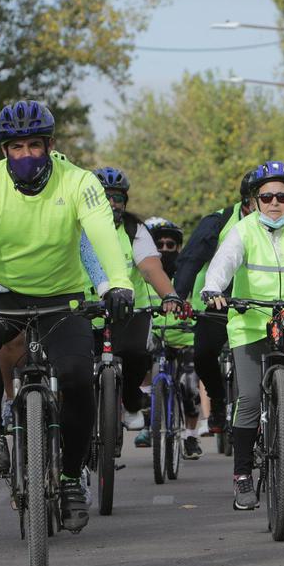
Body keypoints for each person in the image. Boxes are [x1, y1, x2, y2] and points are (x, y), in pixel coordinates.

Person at [0, 100, 134, 533]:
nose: (26, 155)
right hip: (3, 292)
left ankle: (69, 478)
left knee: (79, 377)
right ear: (4, 150)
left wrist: (118, 284)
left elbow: (100, 233)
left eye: (34, 145)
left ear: (50, 145)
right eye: (16, 147)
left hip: (64, 295)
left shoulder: (80, 183)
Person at [201, 161, 284, 511]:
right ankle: (243, 475)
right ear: (255, 200)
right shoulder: (243, 231)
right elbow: (224, 262)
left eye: (282, 196)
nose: (274, 203)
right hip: (249, 320)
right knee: (247, 399)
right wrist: (213, 288)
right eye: (266, 197)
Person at [93, 168, 183, 432]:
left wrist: (170, 295)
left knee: (136, 357)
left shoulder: (135, 229)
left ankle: (131, 400)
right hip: (86, 310)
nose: (112, 204)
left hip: (130, 310)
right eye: (105, 197)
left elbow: (151, 267)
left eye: (118, 198)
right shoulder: (77, 227)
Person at [174, 172, 255, 434]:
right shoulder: (218, 221)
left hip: (262, 301)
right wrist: (178, 295)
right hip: (220, 300)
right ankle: (218, 400)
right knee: (203, 353)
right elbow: (191, 259)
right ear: (247, 203)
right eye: (262, 199)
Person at [134, 217, 203, 459]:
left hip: (186, 338)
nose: (164, 249)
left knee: (189, 386)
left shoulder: (191, 275)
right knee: (138, 362)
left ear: (178, 248)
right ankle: (147, 422)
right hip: (154, 336)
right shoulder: (144, 273)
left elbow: (202, 300)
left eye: (170, 245)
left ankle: (191, 437)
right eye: (159, 245)